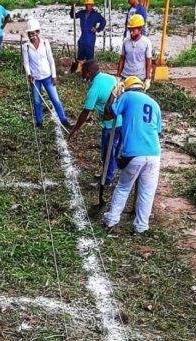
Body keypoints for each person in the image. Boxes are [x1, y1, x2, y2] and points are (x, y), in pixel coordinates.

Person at [102, 76, 162, 234]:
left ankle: (111, 220)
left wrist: (113, 95)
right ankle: (141, 227)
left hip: (134, 153)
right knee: (147, 192)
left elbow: (108, 114)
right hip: (154, 153)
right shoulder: (154, 104)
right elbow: (157, 131)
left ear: (126, 87)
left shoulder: (127, 96)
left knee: (123, 187)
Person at [68, 60, 123, 186]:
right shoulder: (110, 77)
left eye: (82, 72)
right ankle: (107, 173)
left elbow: (85, 112)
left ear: (88, 73)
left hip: (111, 126)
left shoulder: (94, 89)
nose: (81, 74)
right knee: (115, 151)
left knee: (107, 153)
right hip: (123, 121)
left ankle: (107, 180)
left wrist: (75, 129)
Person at [22, 19, 73, 129]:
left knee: (55, 99)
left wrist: (54, 76)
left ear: (38, 32)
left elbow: (51, 60)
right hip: (35, 78)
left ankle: (64, 120)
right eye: (29, 33)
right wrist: (29, 74)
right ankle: (39, 122)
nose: (31, 35)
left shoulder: (45, 43)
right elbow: (26, 63)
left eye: (33, 33)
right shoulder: (25, 47)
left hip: (47, 76)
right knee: (36, 100)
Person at [116, 14, 153, 89]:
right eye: (130, 30)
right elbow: (122, 59)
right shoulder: (126, 41)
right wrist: (118, 76)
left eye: (133, 30)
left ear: (140, 30)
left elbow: (148, 61)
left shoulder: (146, 42)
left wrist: (148, 79)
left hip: (139, 78)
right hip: (125, 76)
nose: (131, 32)